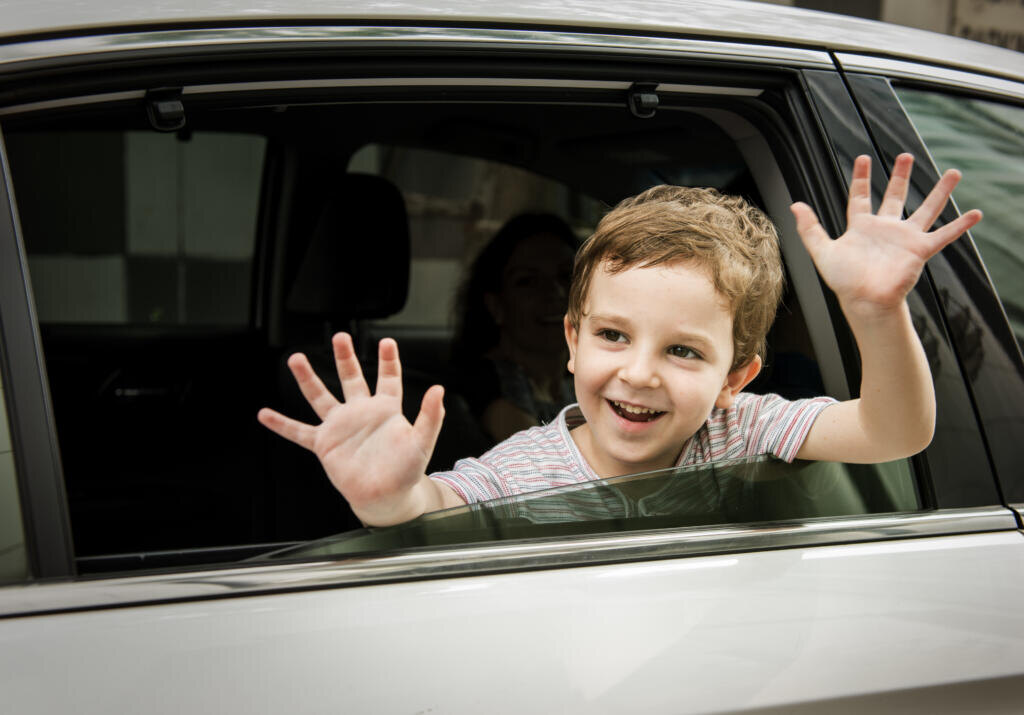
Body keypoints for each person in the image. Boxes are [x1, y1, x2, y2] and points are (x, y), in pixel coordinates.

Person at [258, 154, 982, 528]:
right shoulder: (526, 466)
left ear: (737, 375)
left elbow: (894, 431)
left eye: (684, 350)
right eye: (612, 334)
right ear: (571, 340)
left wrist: (877, 312)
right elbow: (437, 507)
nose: (638, 373)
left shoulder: (746, 425)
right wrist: (390, 497)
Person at [451, 213, 579, 441]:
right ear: (496, 305)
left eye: (566, 276)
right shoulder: (486, 384)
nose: (555, 293)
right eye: (528, 281)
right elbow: (537, 465)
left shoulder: (575, 382)